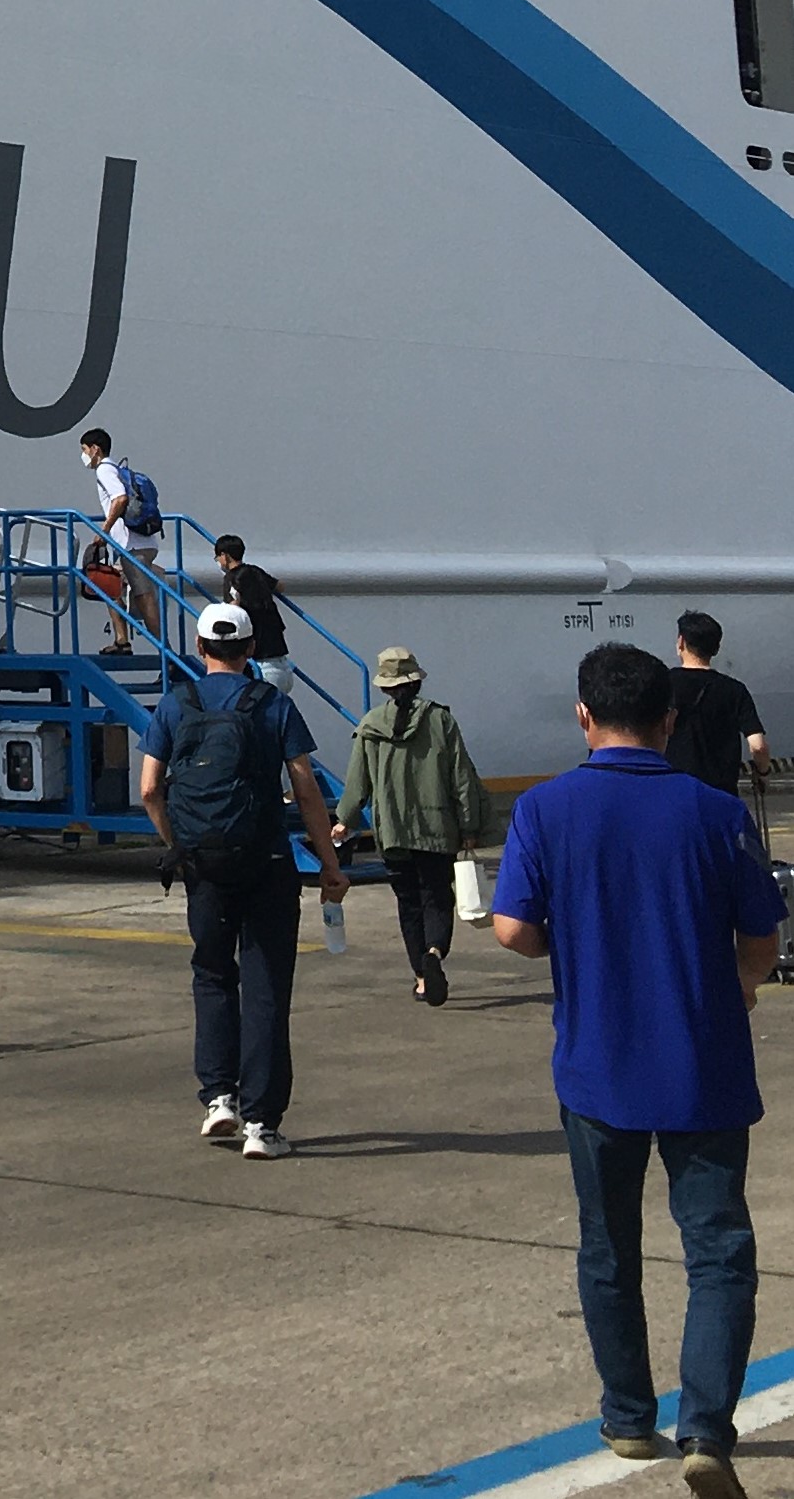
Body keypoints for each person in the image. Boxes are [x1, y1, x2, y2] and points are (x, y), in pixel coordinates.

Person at [492, 641, 784, 1495]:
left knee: (608, 1244)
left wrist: (570, 944)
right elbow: (761, 943)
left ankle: (626, 1415)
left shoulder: (546, 808)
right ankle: (705, 1431)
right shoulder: (713, 811)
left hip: (597, 1065)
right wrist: (731, 983)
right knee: (718, 1248)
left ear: (583, 716)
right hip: (703, 1065)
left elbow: (511, 928)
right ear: (668, 719)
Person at [139, 599, 349, 1159]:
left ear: (202, 649)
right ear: (251, 650)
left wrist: (177, 847)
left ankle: (219, 1100)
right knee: (265, 989)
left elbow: (149, 790)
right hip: (267, 863)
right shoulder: (272, 704)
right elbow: (305, 788)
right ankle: (263, 1125)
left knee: (211, 976)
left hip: (203, 866)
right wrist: (328, 863)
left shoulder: (175, 704)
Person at [331, 645, 489, 1005]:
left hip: (394, 833)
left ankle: (420, 978)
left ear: (385, 687)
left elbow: (358, 784)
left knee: (408, 903)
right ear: (416, 682)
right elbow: (461, 777)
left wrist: (344, 821)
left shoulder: (370, 726)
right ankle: (433, 954)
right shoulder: (441, 721)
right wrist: (469, 825)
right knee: (436, 896)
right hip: (438, 830)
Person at [78, 427, 164, 654]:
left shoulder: (105, 470)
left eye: (84, 450)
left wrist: (104, 531)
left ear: (95, 449)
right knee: (109, 586)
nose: (84, 456)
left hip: (132, 546)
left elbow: (120, 498)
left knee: (144, 596)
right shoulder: (116, 469)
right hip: (136, 544)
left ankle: (167, 653)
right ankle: (121, 640)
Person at [668, 611, 771, 798]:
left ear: (681, 642)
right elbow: (758, 746)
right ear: (716, 649)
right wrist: (763, 773)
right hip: (722, 796)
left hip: (674, 793)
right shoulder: (735, 690)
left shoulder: (662, 685)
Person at [213, 534, 293, 692]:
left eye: (217, 557)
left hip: (260, 667)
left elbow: (233, 610)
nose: (218, 561)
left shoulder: (231, 579)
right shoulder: (255, 571)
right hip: (282, 664)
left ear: (225, 556)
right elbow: (280, 586)